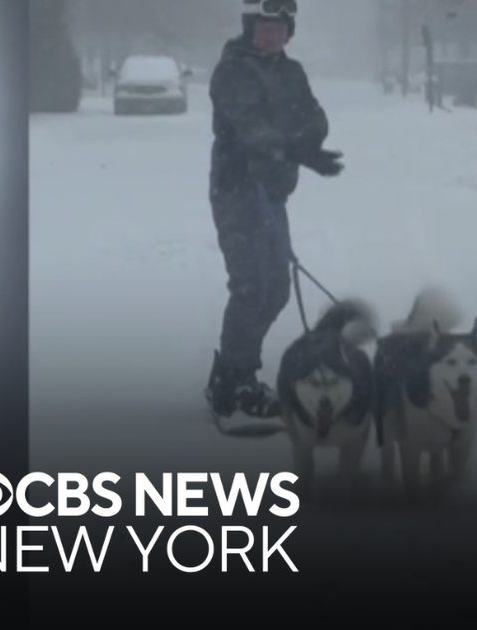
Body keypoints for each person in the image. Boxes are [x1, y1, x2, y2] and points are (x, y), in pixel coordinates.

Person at [204, 0, 345, 419]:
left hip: (273, 191)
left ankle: (231, 371)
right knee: (250, 286)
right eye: (265, 27)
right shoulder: (232, 71)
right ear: (251, 28)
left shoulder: (291, 71)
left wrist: (308, 144)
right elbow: (250, 128)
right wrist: (292, 147)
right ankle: (237, 380)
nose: (274, 35)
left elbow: (313, 116)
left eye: (281, 27)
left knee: (277, 288)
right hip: (237, 189)